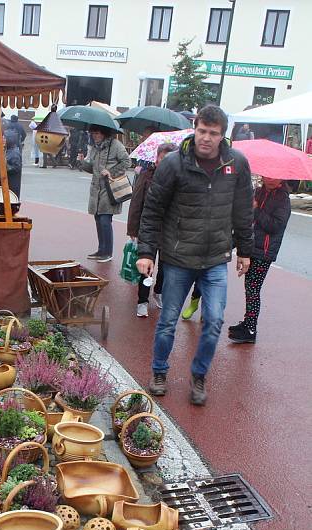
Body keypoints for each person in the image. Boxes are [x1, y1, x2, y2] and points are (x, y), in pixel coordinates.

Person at [137, 104, 253, 406]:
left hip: (215, 258)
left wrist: (245, 250)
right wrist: (146, 251)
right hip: (178, 258)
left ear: (222, 136)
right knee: (168, 321)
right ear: (195, 129)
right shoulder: (174, 164)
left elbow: (242, 209)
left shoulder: (237, 164)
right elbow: (153, 211)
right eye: (202, 131)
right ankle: (159, 371)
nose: (206, 138)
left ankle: (199, 374)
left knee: (214, 321)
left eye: (213, 133)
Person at [228, 177, 291, 343]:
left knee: (253, 289)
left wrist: (256, 210)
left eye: (274, 178)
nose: (269, 180)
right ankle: (247, 322)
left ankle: (250, 329)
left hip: (264, 252)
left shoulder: (283, 199)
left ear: (281, 179)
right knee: (250, 287)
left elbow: (275, 226)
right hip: (252, 246)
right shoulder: (259, 191)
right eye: (267, 176)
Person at [127, 142, 178, 316]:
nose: (165, 162)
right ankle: (142, 300)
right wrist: (133, 229)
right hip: (148, 228)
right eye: (162, 158)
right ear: (156, 159)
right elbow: (136, 203)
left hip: (169, 231)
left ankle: (159, 291)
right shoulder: (146, 176)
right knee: (146, 265)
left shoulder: (178, 180)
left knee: (165, 267)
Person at [78, 124, 130, 263]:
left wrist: (111, 172)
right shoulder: (95, 148)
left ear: (104, 133)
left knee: (105, 220)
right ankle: (101, 250)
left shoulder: (115, 145)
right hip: (96, 189)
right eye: (92, 133)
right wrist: (83, 162)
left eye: (96, 133)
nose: (94, 136)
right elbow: (93, 169)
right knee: (98, 219)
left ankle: (108, 252)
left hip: (110, 188)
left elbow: (127, 162)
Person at [4, 129, 22, 198]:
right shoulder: (9, 151)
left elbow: (16, 168)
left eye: (4, 138)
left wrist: (6, 167)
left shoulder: (14, 153)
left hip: (12, 183)